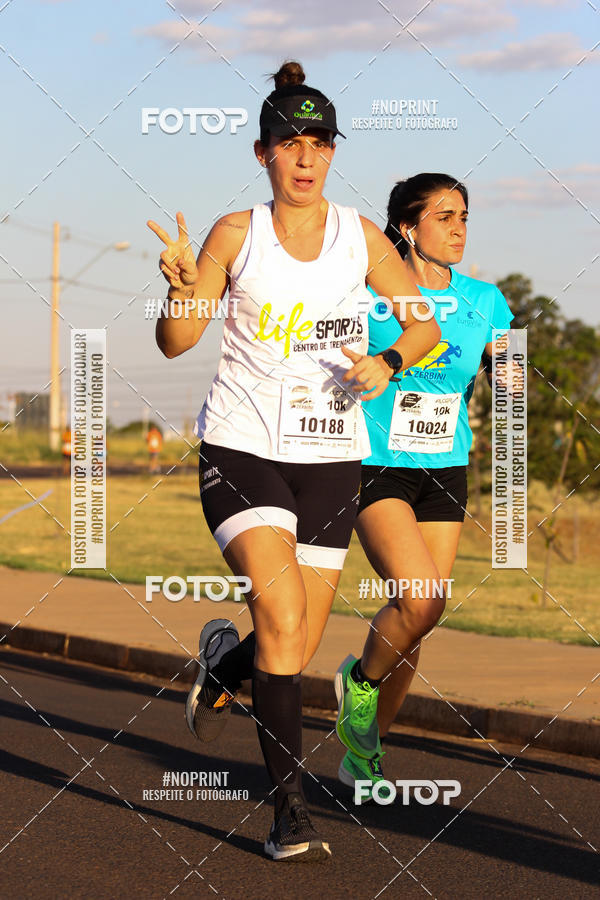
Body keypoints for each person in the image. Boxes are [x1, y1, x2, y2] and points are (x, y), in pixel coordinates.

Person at [148, 63, 439, 860]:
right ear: (262, 153)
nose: (305, 158)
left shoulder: (363, 237)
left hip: (330, 455)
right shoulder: (235, 234)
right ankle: (289, 814)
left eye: (318, 143)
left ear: (332, 153)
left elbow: (422, 327)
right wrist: (179, 292)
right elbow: (178, 341)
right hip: (242, 444)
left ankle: (222, 659)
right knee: (281, 621)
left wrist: (391, 361)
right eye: (289, 143)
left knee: (295, 645)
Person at [334, 173, 513, 801]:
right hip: (378, 463)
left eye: (465, 215)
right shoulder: (368, 294)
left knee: (421, 620)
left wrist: (513, 370)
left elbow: (510, 378)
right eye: (444, 216)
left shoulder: (486, 300)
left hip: (447, 467)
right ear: (408, 229)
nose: (460, 227)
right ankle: (358, 685)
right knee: (419, 597)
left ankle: (363, 752)